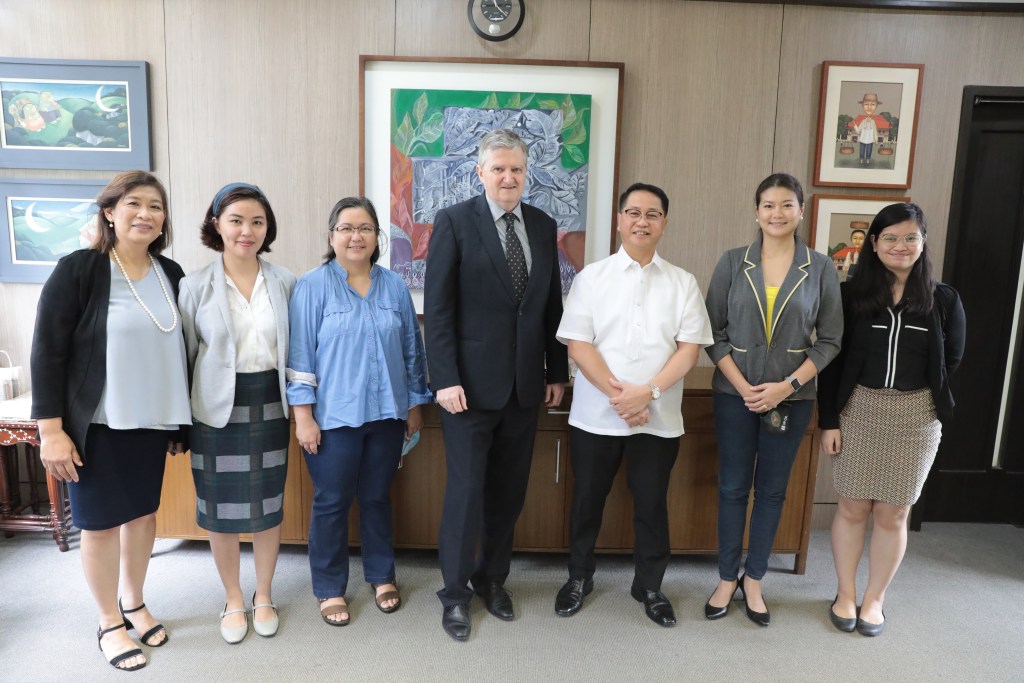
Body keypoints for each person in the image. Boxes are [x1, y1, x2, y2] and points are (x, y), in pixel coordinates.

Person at [31, 171, 191, 671]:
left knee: (143, 516)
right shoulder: (80, 269)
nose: (146, 214)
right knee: (99, 526)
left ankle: (134, 602)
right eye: (134, 204)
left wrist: (179, 423)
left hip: (152, 421)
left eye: (156, 206)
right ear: (109, 212)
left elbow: (180, 350)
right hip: (96, 424)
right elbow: (47, 351)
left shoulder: (171, 273)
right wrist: (50, 431)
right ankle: (107, 621)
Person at [424, 128, 569, 641]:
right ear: (480, 172)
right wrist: (444, 378)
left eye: (517, 169)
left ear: (527, 174)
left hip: (525, 387)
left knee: (508, 494)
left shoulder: (543, 224)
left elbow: (550, 306)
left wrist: (557, 372)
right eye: (499, 169)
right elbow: (438, 309)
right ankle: (455, 595)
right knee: (465, 494)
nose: (509, 178)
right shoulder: (454, 221)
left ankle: (493, 580)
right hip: (466, 391)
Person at [553, 183, 712, 626]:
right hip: (595, 418)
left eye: (652, 214)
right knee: (586, 502)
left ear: (664, 223)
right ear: (620, 220)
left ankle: (650, 586)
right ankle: (578, 578)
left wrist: (649, 394)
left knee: (652, 505)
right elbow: (579, 345)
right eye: (634, 212)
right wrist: (622, 398)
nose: (642, 221)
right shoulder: (592, 278)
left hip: (657, 419)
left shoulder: (682, 282)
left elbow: (689, 351)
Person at [818, 203, 965, 637]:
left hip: (916, 417)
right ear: (874, 243)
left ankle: (874, 599)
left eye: (910, 238)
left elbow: (952, 359)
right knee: (852, 507)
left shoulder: (943, 299)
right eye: (890, 238)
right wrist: (829, 420)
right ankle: (845, 593)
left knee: (894, 513)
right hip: (858, 409)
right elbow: (832, 362)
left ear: (923, 242)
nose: (901, 246)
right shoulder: (850, 296)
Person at [703, 173, 842, 626]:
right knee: (732, 487)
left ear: (801, 211)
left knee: (772, 490)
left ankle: (755, 580)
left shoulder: (820, 267)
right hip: (734, 395)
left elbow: (831, 340)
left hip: (791, 399)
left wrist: (788, 386)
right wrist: (743, 386)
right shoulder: (732, 262)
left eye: (786, 205)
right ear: (756, 211)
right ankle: (727, 577)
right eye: (768, 205)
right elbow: (712, 332)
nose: (776, 213)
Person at [287, 196, 430, 627]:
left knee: (376, 497)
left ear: (377, 236)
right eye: (346, 228)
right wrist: (303, 417)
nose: (356, 236)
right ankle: (329, 587)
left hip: (387, 415)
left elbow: (412, 350)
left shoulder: (394, 286)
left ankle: (381, 575)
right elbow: (300, 356)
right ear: (331, 236)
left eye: (365, 228)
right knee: (331, 502)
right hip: (333, 419)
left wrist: (415, 405)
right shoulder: (312, 286)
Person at [178, 183, 296, 643]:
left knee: (267, 507)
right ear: (217, 225)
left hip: (270, 403)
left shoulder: (286, 281)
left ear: (267, 228)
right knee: (219, 510)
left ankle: (263, 594)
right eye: (236, 221)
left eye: (257, 222)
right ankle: (232, 597)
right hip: (214, 409)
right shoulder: (194, 285)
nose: (247, 230)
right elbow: (187, 356)